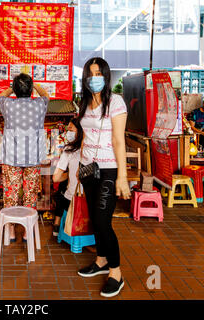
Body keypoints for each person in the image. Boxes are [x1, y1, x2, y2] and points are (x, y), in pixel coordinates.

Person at [76, 57, 130, 298]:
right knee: (94, 218)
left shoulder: (115, 102)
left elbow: (119, 140)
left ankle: (116, 273)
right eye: (90, 73)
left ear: (106, 76)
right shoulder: (85, 102)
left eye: (98, 73)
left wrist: (122, 176)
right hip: (88, 167)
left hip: (109, 168)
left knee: (102, 221)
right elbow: (85, 136)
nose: (94, 78)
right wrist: (79, 166)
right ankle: (100, 261)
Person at [0, 73, 49, 241]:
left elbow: (1, 95)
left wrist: (13, 88)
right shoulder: (40, 104)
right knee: (30, 195)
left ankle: (11, 231)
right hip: (33, 158)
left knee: (11, 195)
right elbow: (45, 95)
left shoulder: (8, 104)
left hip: (11, 158)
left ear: (15, 89)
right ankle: (27, 231)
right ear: (30, 89)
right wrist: (35, 85)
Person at [52, 116, 83, 236]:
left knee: (61, 189)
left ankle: (57, 224)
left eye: (71, 129)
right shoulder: (92, 149)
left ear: (80, 131)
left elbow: (56, 178)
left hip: (74, 200)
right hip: (90, 199)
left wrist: (69, 176)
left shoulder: (69, 149)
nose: (67, 132)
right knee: (65, 183)